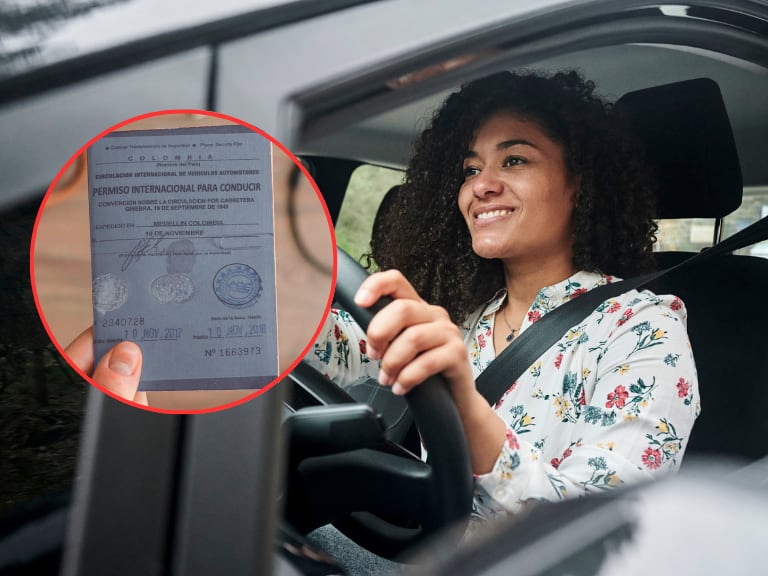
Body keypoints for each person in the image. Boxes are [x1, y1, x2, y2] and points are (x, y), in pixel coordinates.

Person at [68, 70, 699, 520]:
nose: (481, 185)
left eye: (515, 161)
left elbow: (607, 527)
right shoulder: (470, 320)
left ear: (581, 185)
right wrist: (225, 276)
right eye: (471, 169)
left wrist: (466, 410)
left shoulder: (642, 325)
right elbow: (348, 351)